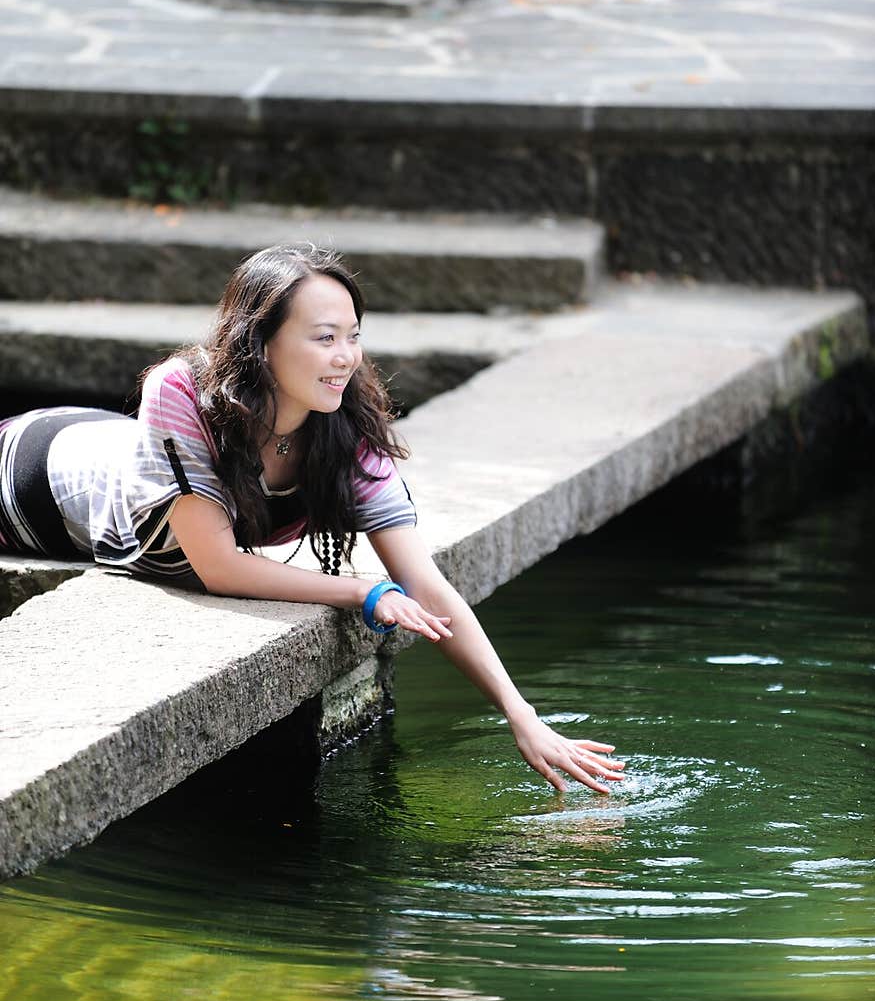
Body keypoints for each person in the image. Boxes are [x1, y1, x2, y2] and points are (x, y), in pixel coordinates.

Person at [0, 244, 624, 795]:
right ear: (259, 342)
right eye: (324, 337)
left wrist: (521, 714)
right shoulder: (181, 392)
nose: (347, 356)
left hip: (106, 450)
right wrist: (363, 590)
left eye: (354, 335)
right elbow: (217, 567)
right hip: (29, 475)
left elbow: (426, 585)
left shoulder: (350, 428)